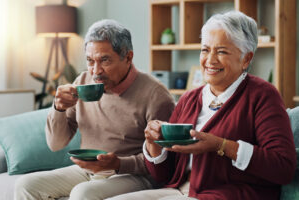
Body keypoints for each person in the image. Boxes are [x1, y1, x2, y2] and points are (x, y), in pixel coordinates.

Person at [107, 11, 297, 200]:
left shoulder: (263, 95)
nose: (210, 60)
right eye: (205, 50)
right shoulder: (189, 99)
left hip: (229, 195)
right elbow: (163, 175)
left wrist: (220, 145)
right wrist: (153, 144)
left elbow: (283, 168)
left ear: (246, 59)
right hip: (180, 189)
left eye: (221, 51)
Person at [14, 19, 175, 200]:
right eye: (90, 61)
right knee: (26, 185)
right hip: (88, 169)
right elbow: (55, 144)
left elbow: (165, 162)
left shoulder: (155, 94)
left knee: (83, 193)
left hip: (133, 175)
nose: (95, 71)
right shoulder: (83, 82)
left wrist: (119, 164)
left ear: (128, 57)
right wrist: (58, 108)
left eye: (104, 60)